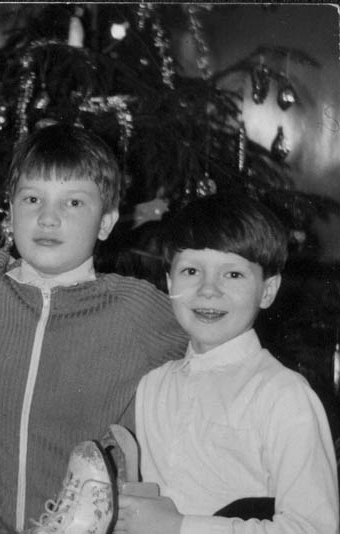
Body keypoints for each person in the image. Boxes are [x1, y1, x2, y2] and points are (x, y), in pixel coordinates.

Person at [0, 122, 188, 534]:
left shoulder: (135, 309)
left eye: (73, 203)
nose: (48, 218)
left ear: (106, 222)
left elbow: (215, 357)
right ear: (11, 211)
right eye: (32, 199)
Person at [117, 193, 339, 534]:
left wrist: (180, 527)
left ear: (267, 291)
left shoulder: (283, 395)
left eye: (233, 274)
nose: (208, 290)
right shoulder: (154, 385)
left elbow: (313, 528)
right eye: (191, 271)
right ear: (170, 282)